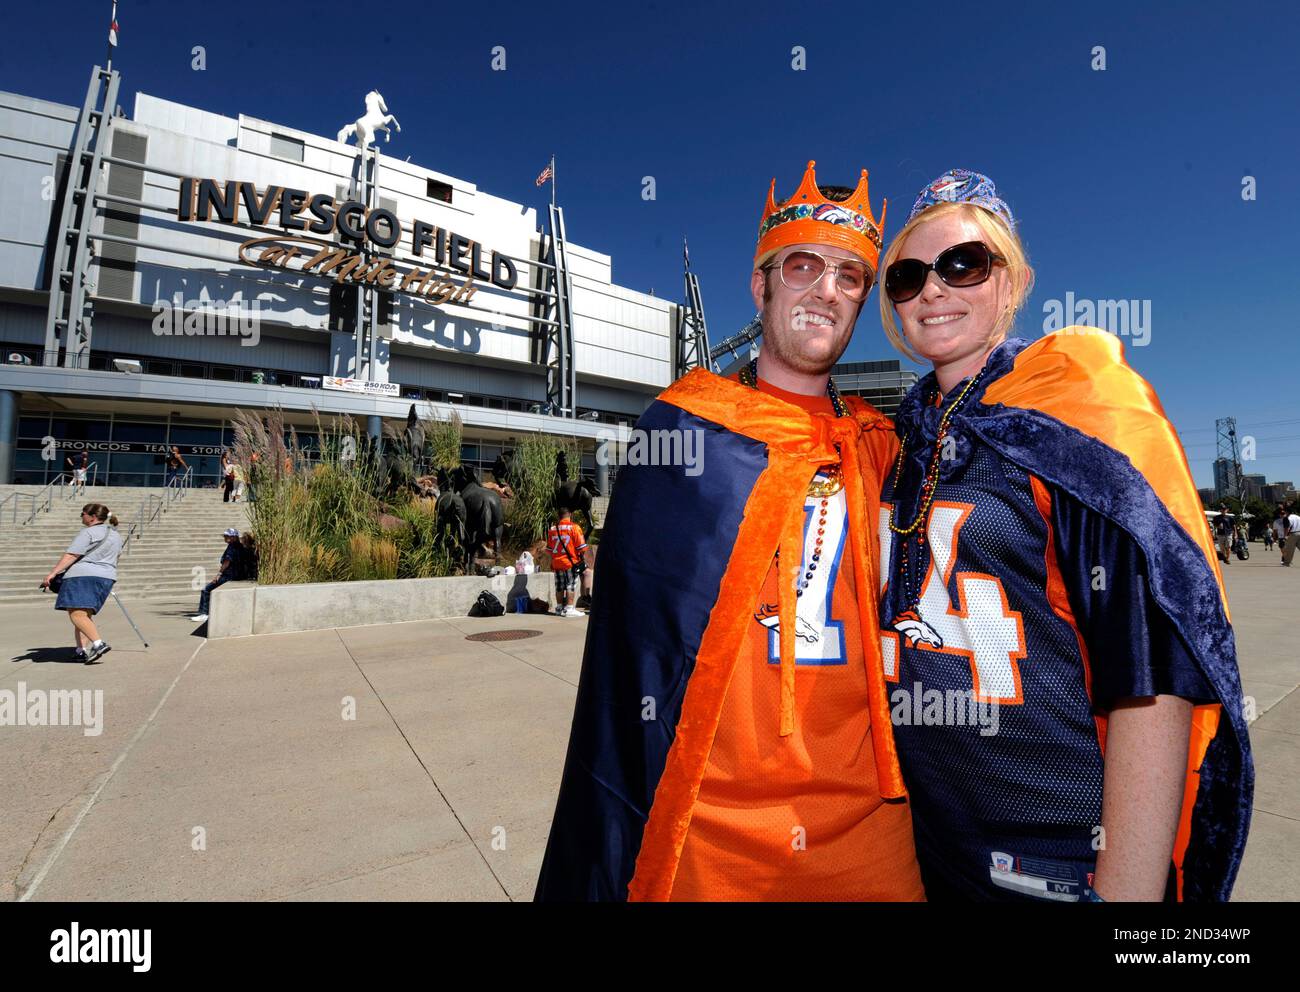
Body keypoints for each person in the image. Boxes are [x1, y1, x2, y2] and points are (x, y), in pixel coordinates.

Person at [537, 162, 921, 901]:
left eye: (849, 276)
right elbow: (631, 652)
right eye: (803, 266)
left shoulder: (880, 444)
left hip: (871, 821)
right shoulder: (686, 429)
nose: (825, 290)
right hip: (705, 828)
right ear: (760, 285)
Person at [874, 168, 1251, 901]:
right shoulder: (896, 440)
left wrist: (1127, 894)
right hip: (930, 849)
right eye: (909, 274)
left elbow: (1153, 677)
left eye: (964, 263)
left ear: (1011, 281)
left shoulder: (1081, 414)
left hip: (1058, 858)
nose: (934, 289)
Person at [43, 503, 123, 663]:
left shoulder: (88, 532)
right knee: (84, 614)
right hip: (106, 576)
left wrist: (52, 573)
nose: (81, 516)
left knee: (76, 613)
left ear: (92, 517)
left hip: (82, 576)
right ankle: (81, 650)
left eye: (83, 513)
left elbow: (72, 555)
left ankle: (98, 644)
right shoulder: (115, 535)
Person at [190, 528, 246, 623]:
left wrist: (219, 574)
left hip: (228, 575)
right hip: (236, 574)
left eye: (226, 536)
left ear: (233, 537)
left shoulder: (232, 547)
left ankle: (204, 613)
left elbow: (227, 561)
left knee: (206, 590)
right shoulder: (240, 546)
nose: (224, 538)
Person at [546, 508, 588, 618]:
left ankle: (559, 608)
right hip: (570, 563)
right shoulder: (575, 528)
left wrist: (553, 561)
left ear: (559, 516)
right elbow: (582, 548)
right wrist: (582, 560)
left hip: (557, 562)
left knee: (559, 586)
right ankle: (569, 608)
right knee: (571, 585)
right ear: (569, 514)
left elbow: (549, 550)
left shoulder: (553, 529)